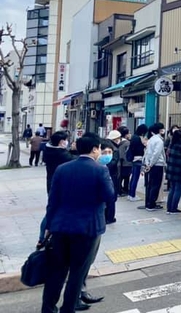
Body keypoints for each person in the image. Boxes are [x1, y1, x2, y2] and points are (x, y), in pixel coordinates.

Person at [41, 133, 114, 313]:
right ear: (95, 149)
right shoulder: (100, 170)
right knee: (77, 272)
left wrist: (48, 227)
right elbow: (110, 197)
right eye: (99, 149)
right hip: (88, 229)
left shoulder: (62, 169)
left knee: (57, 271)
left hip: (60, 227)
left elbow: (53, 201)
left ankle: (48, 308)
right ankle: (68, 308)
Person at [143, 123, 166, 211]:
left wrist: (148, 163)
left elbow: (148, 153)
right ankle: (151, 204)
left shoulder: (151, 139)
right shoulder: (159, 141)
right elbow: (156, 153)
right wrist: (151, 164)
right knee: (156, 185)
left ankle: (149, 203)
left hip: (151, 164)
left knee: (151, 184)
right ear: (159, 130)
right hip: (157, 164)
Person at [165, 130, 181, 214]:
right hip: (179, 170)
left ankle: (169, 207)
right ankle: (174, 207)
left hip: (171, 169)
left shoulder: (171, 145)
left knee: (172, 188)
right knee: (178, 189)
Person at [126, 124, 148, 201]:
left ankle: (130, 194)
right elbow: (139, 149)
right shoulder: (138, 138)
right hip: (138, 159)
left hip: (134, 159)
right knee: (135, 177)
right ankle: (132, 195)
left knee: (133, 178)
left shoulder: (133, 137)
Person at [100, 140, 118, 225]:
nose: (107, 155)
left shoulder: (107, 165)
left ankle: (109, 217)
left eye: (110, 152)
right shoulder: (95, 166)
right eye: (104, 152)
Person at [117, 126, 132, 196]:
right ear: (126, 135)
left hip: (120, 162)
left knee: (120, 177)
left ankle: (119, 189)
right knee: (126, 177)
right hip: (127, 162)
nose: (130, 135)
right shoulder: (127, 143)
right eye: (129, 133)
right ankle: (125, 190)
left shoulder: (118, 142)